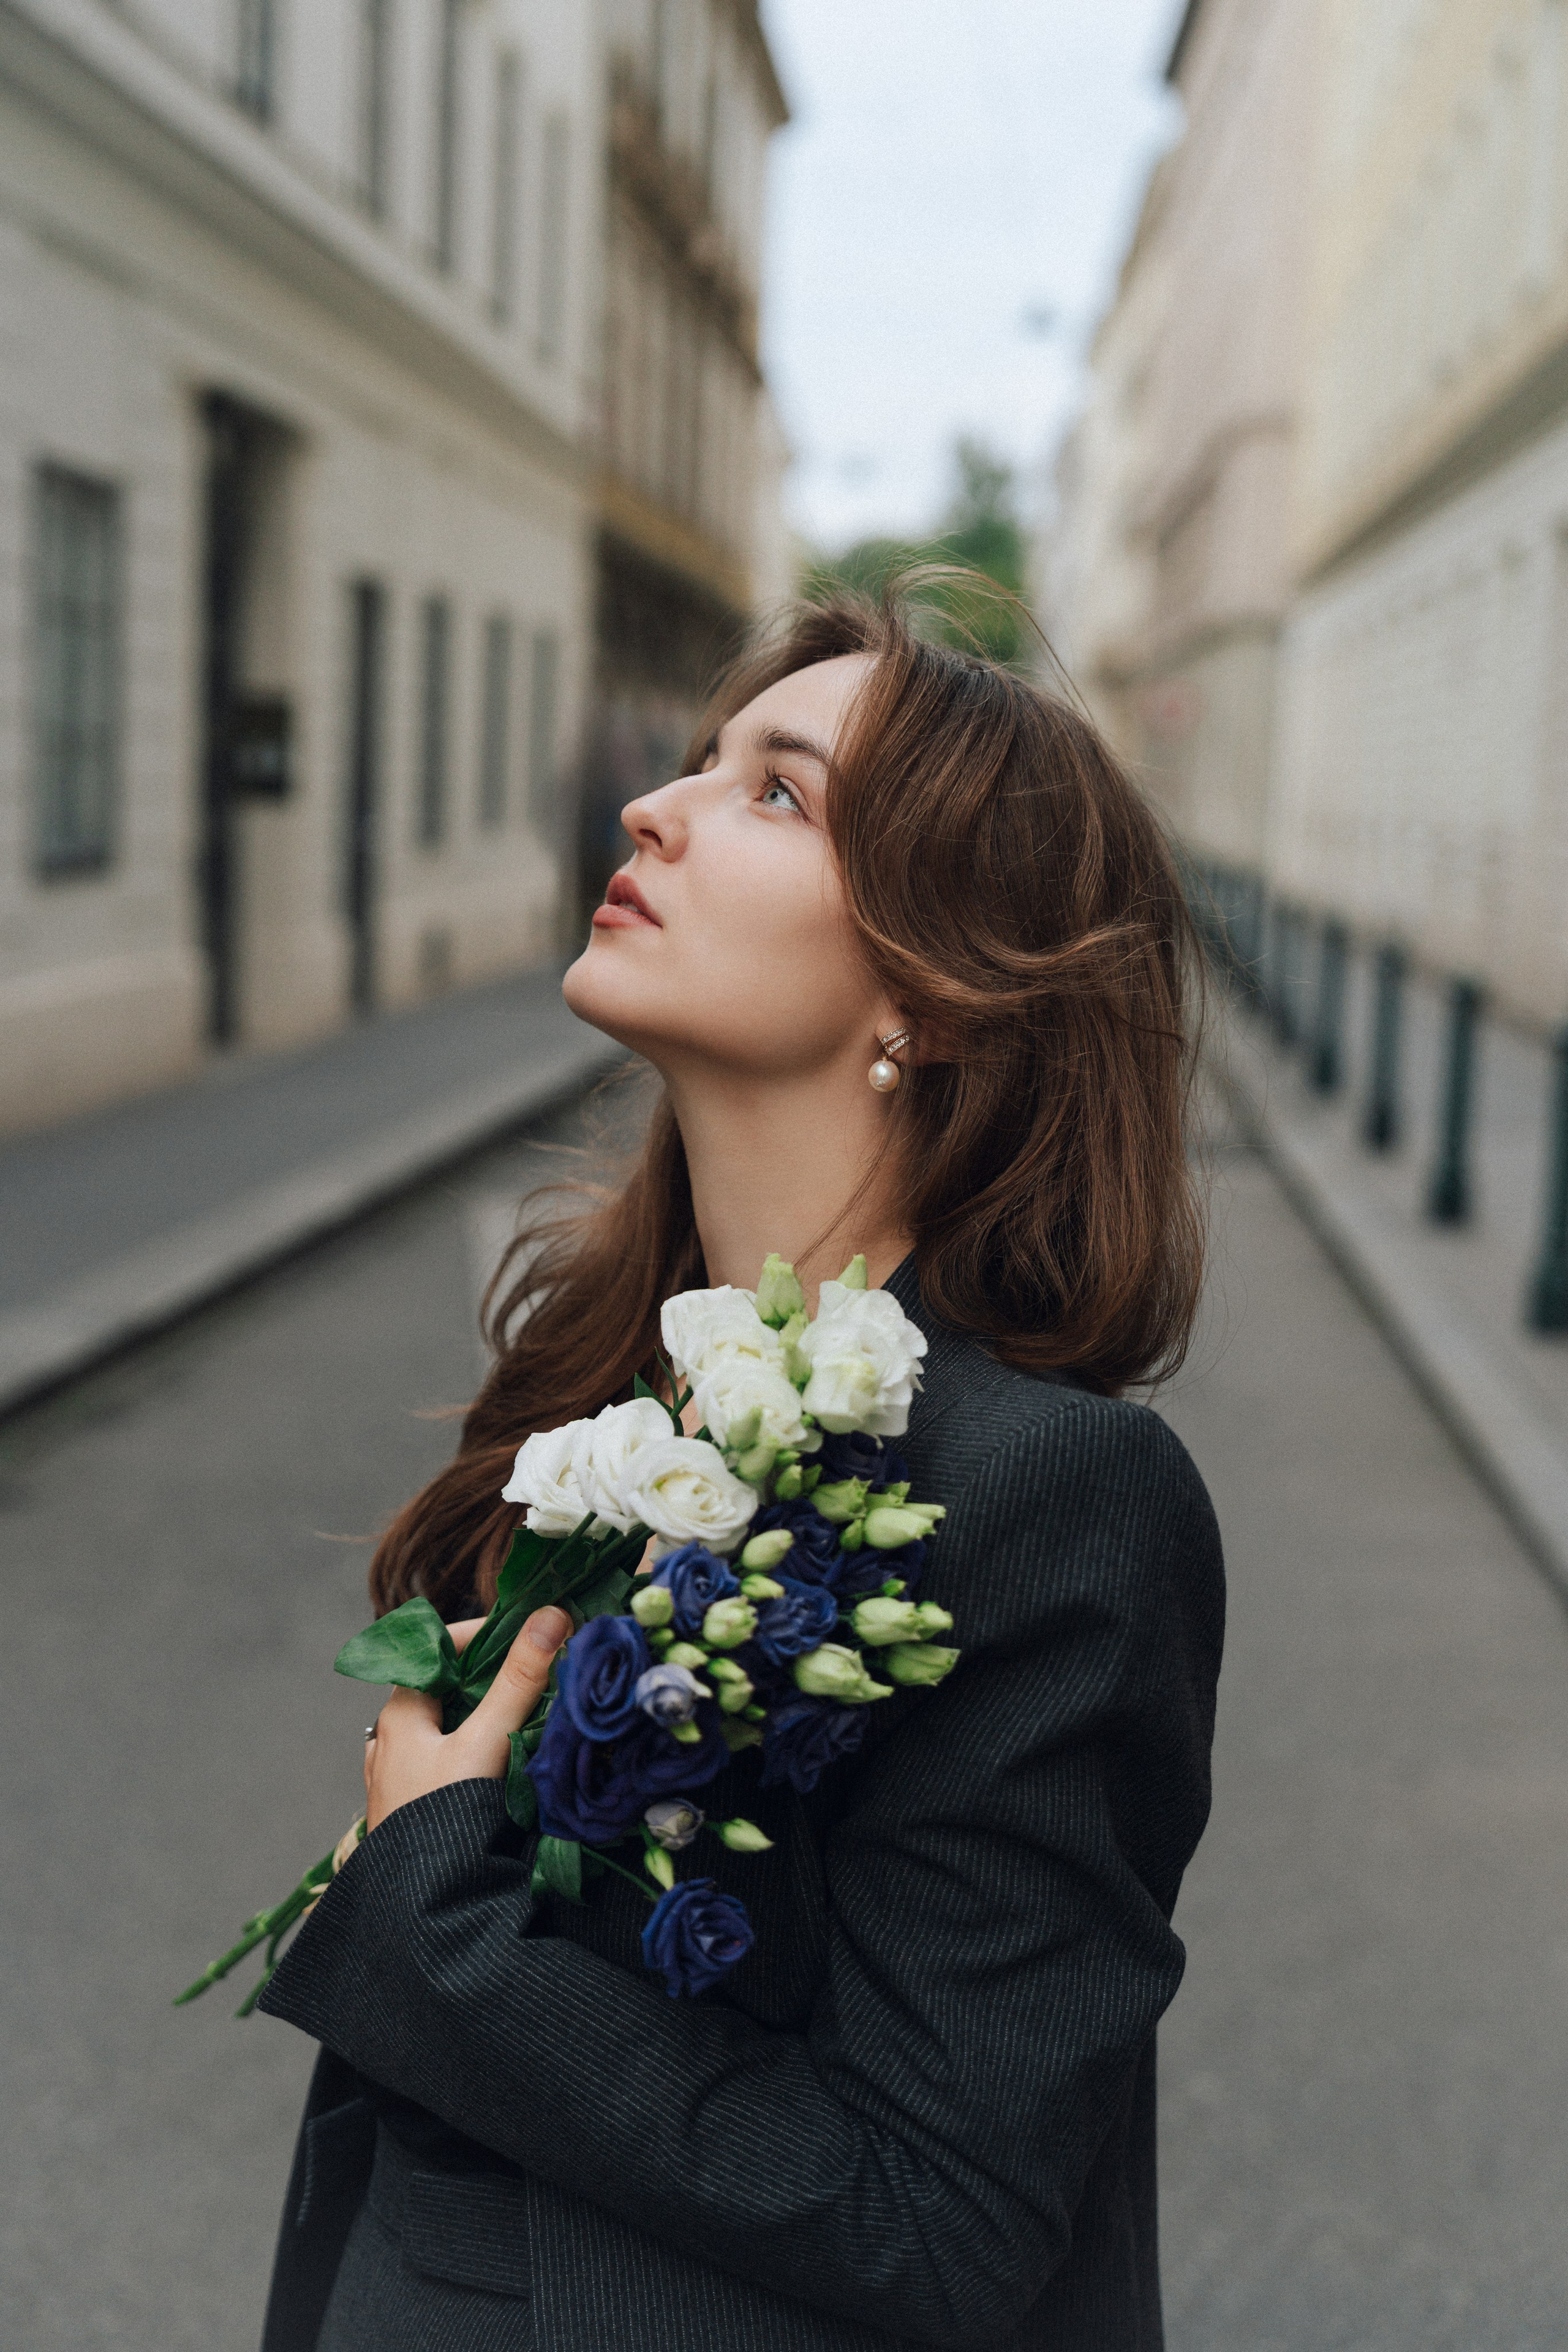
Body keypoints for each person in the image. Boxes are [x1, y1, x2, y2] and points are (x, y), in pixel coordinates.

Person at [257, 582, 1225, 2352]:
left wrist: (437, 1903)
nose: (654, 807)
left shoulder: (1053, 1495)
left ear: (938, 991)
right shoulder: (609, 1379)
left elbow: (940, 2216)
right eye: (702, 762)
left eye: (775, 791)